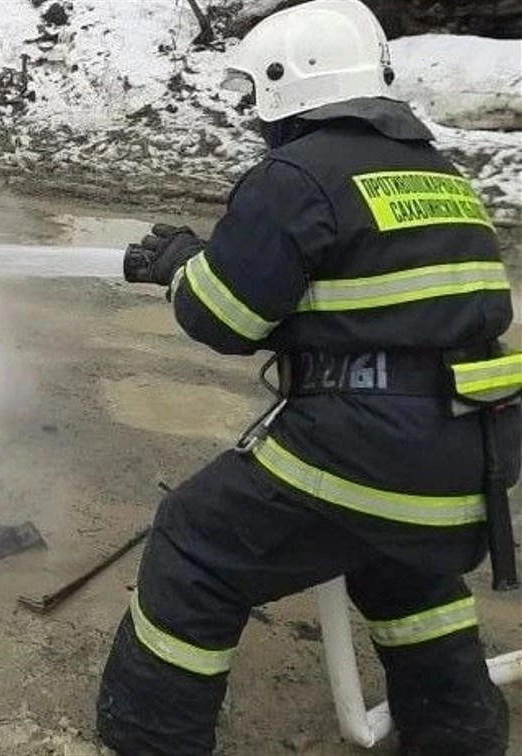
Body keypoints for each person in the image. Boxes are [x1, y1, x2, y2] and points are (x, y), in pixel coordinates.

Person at [103, 1, 521, 754]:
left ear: (283, 83)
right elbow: (380, 300)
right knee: (402, 568)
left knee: (195, 543)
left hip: (370, 444)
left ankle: (147, 738)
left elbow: (222, 318)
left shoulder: (297, 174)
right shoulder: (436, 172)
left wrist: (180, 266)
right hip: (472, 447)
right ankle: (461, 733)